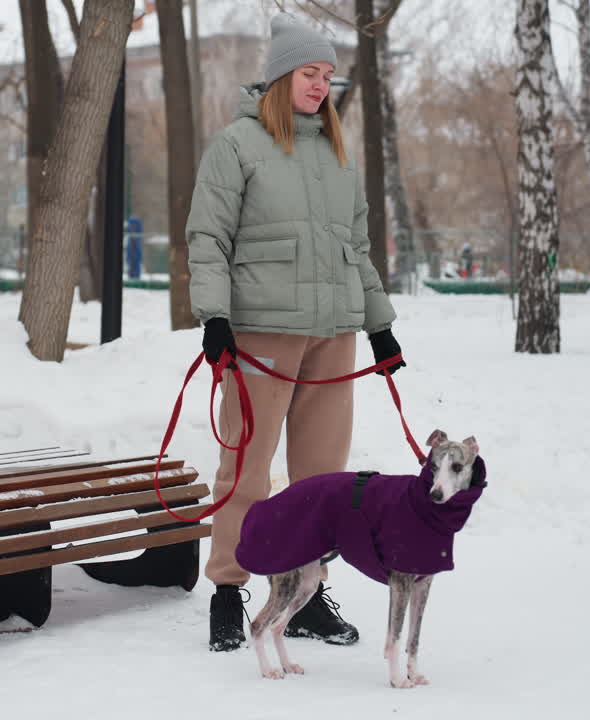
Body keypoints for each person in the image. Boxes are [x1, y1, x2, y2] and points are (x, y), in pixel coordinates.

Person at [185, 13, 406, 652]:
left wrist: (380, 327)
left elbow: (356, 248)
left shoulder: (338, 153)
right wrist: (216, 319)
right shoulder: (237, 146)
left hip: (333, 336)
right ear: (282, 75)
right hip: (261, 334)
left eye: (328, 76)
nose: (321, 86)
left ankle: (304, 598)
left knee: (319, 481)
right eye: (311, 73)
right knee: (246, 472)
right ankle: (228, 593)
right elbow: (208, 238)